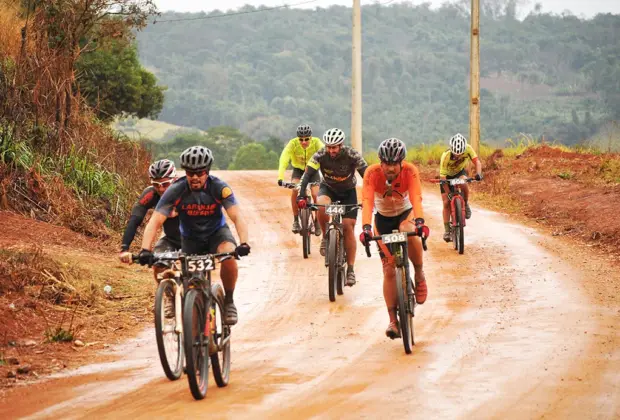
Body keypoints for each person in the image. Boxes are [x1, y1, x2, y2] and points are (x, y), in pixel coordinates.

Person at [137, 146, 250, 326]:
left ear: (208, 172)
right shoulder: (176, 189)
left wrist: (243, 243)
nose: (195, 177)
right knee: (190, 285)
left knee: (228, 255)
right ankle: (192, 325)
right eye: (190, 173)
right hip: (190, 239)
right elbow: (155, 221)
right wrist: (145, 249)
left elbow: (237, 216)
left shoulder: (219, 187)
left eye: (200, 172)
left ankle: (229, 300)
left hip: (217, 234)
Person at [359, 138, 429, 339]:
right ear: (380, 162)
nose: (390, 168)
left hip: (405, 214)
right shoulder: (371, 173)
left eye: (394, 164)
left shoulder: (410, 171)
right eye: (386, 164)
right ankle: (393, 321)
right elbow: (367, 200)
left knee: (408, 228)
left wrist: (421, 222)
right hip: (382, 220)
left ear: (401, 163)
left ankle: (419, 272)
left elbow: (416, 197)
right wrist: (365, 227)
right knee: (389, 270)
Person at [297, 128, 367, 286]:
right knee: (321, 206)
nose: (331, 150)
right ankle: (325, 237)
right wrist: (301, 195)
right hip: (328, 189)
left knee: (348, 227)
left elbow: (367, 175)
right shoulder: (320, 155)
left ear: (341, 145)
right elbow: (307, 175)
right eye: (329, 147)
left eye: (334, 147)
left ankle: (350, 269)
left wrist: (370, 197)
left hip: (348, 192)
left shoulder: (352, 154)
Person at [118, 159, 180, 282]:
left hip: (194, 238)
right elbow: (135, 220)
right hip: (171, 239)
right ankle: (166, 297)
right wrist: (124, 249)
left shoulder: (186, 190)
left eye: (165, 184)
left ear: (175, 179)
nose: (161, 189)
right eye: (156, 184)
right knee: (158, 265)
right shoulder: (151, 194)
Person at [277, 124, 323, 235]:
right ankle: (296, 220)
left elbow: (325, 155)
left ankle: (317, 222)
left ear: (311, 137)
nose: (303, 142)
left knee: (316, 194)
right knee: (295, 190)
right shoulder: (292, 144)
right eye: (301, 139)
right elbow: (284, 159)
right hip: (298, 170)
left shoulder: (317, 142)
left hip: (313, 171)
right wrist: (280, 177)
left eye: (306, 139)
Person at [439, 133, 483, 242]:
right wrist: (449, 193)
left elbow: (477, 161)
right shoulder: (445, 156)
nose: (458, 156)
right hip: (446, 177)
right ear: (451, 149)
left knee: (464, 182)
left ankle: (466, 203)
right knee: (446, 203)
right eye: (455, 154)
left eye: (460, 154)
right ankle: (447, 230)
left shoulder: (468, 148)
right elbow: (443, 178)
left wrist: (478, 174)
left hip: (459, 172)